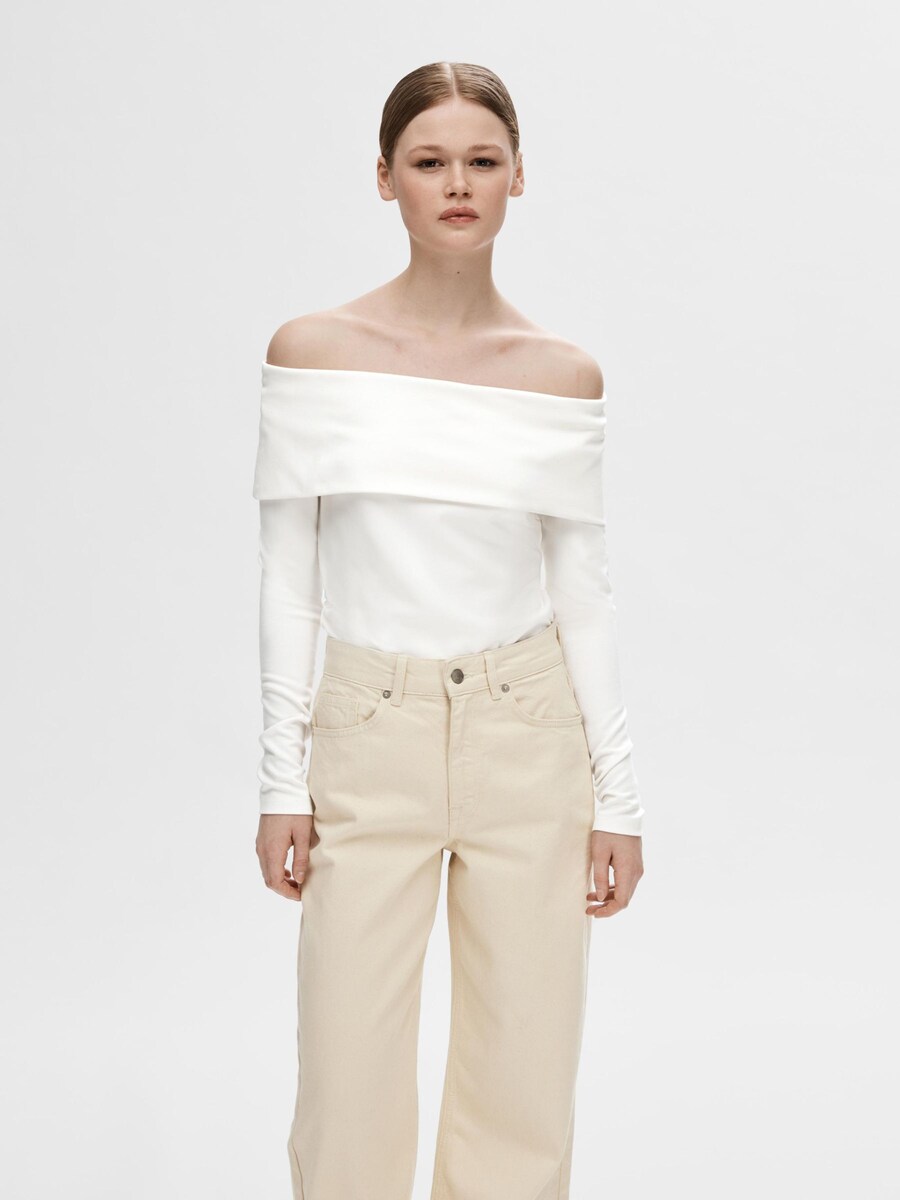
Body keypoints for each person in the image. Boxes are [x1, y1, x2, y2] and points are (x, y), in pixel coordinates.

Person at [252, 61, 645, 1200]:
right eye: (430, 162)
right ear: (386, 179)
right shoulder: (312, 354)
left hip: (529, 732)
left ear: (520, 175)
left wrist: (618, 799)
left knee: (524, 1080)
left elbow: (584, 593)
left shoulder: (559, 375)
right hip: (368, 726)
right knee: (346, 1079)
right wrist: (282, 780)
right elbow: (289, 582)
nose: (458, 185)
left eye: (483, 161)